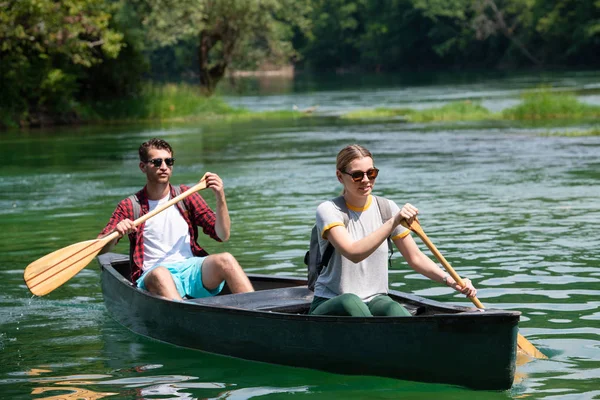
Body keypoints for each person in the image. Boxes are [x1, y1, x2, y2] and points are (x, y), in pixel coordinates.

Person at [309, 144, 477, 316]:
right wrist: (393, 222)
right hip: (331, 300)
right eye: (357, 175)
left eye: (371, 173)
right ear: (340, 176)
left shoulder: (387, 208)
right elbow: (354, 253)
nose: (366, 180)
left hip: (375, 299)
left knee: (394, 309)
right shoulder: (329, 210)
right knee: (351, 302)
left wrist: (451, 281)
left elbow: (415, 257)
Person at [98, 138, 254, 300]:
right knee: (161, 273)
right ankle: (185, 317)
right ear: (143, 167)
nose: (164, 167)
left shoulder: (186, 195)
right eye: (157, 162)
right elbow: (101, 250)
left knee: (226, 259)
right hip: (154, 272)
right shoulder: (130, 205)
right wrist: (115, 232)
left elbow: (223, 235)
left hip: (191, 268)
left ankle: (256, 312)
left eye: (169, 161)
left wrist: (220, 197)